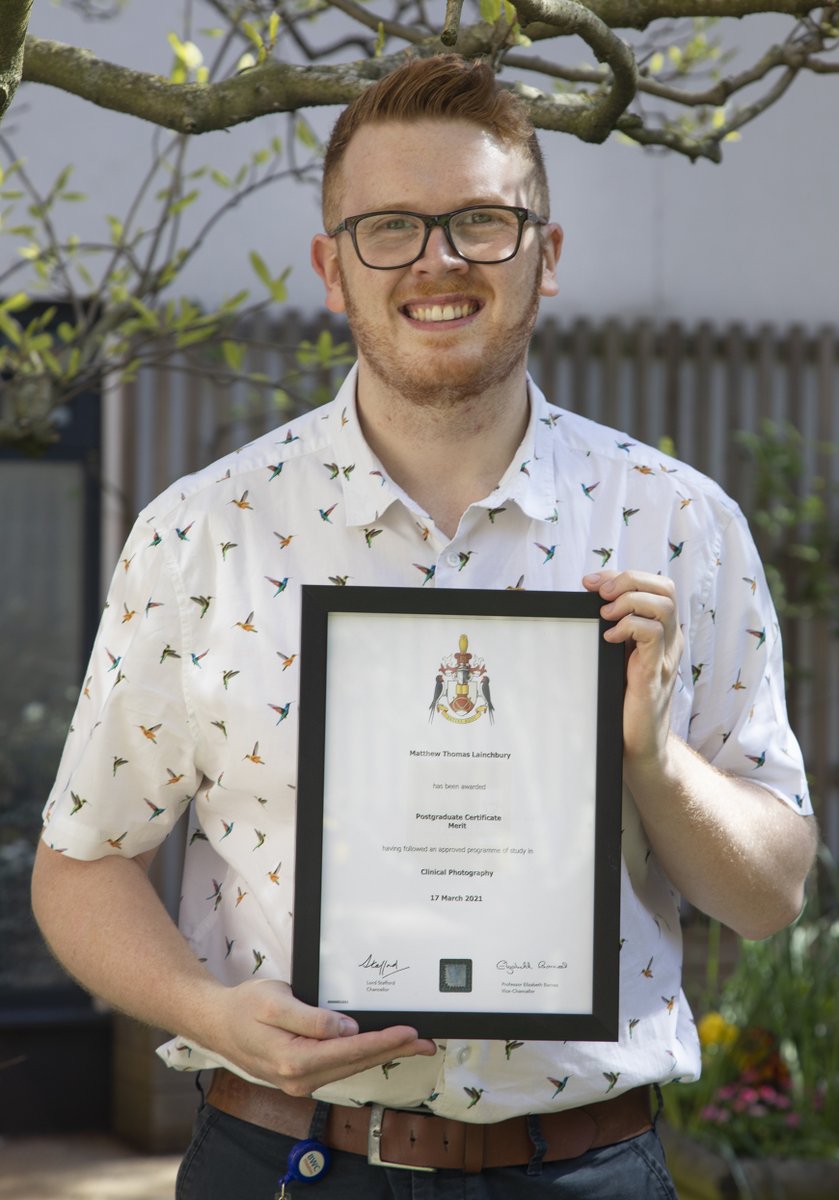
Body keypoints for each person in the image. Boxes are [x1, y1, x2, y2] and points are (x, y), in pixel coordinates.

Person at [32, 55, 816, 1200]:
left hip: (584, 1170)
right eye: (389, 227)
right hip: (283, 1158)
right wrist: (209, 1014)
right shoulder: (203, 534)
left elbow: (767, 894)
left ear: (544, 256)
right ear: (332, 267)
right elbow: (82, 862)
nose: (437, 260)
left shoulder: (676, 524)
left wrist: (649, 759)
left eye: (481, 222)